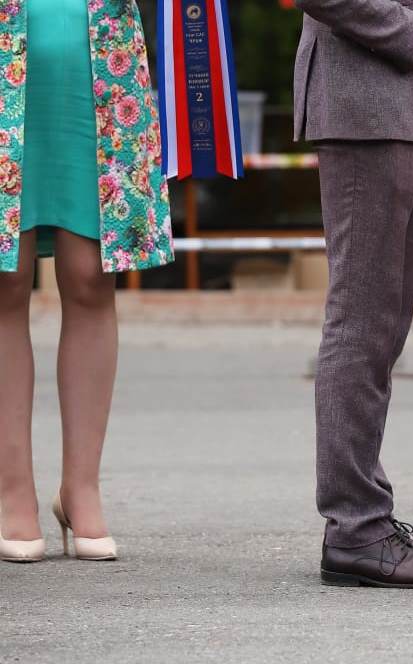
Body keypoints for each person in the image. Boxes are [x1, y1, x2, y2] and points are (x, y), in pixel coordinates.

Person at [293, 0, 413, 588]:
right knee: (360, 322)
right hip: (363, 103)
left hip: (405, 105)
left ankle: (364, 521)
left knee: (382, 327)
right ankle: (355, 529)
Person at [0, 0, 173, 563]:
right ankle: (12, 491)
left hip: (100, 54)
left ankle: (81, 489)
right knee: (5, 283)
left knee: (90, 278)